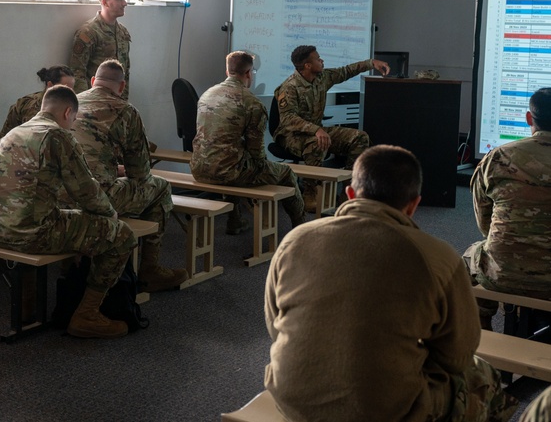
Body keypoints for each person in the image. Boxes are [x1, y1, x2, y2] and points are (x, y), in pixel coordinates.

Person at [265, 145, 517, 422]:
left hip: (291, 398)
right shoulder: (438, 257)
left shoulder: (294, 241)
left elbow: (275, 325)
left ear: (350, 194)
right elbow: (457, 357)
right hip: (386, 411)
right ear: (413, 205)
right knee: (482, 377)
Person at [0, 85, 137, 339]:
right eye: (74, 120)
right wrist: (110, 215)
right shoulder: (57, 136)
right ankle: (86, 315)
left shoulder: (12, 134)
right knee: (121, 236)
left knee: (56, 217)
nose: (72, 124)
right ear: (68, 112)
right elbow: (87, 191)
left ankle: (27, 309)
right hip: (32, 233)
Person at [72, 60, 188, 292]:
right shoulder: (126, 111)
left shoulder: (71, 103)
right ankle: (150, 268)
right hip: (97, 198)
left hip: (59, 194)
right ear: (122, 86)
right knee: (161, 187)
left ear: (93, 81)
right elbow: (140, 173)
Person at [464, 87, 551, 329]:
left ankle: (484, 339)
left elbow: (485, 223)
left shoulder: (499, 157)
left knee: (469, 259)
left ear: (528, 119)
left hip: (505, 272)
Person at [191, 51, 305, 234]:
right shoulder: (252, 104)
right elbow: (257, 155)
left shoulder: (207, 95)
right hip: (228, 172)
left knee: (232, 159)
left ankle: (235, 221)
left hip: (198, 168)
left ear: (227, 71)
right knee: (287, 172)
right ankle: (302, 229)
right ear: (249, 73)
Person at [272, 45, 390, 210]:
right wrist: (316, 130)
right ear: (307, 65)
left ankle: (348, 192)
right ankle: (310, 194)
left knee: (360, 138)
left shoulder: (322, 77)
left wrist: (372, 63)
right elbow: (288, 119)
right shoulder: (289, 87)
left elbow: (347, 71)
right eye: (318, 59)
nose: (322, 61)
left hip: (317, 131)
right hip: (291, 135)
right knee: (316, 143)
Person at [70, 0, 131, 99]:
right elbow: (77, 72)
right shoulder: (88, 33)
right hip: (94, 101)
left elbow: (126, 71)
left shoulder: (123, 32)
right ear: (105, 3)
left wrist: (123, 101)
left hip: (117, 101)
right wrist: (83, 103)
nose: (125, 3)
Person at [0, 65, 75, 141]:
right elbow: (3, 139)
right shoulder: (27, 105)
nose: (71, 93)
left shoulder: (70, 109)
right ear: (50, 85)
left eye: (72, 89)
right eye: (65, 88)